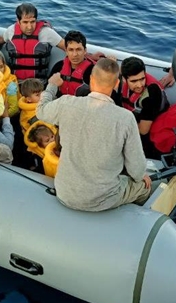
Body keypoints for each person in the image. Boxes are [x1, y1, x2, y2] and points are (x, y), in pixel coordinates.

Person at [37, 59, 152, 211]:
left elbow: (41, 110)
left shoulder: (65, 103)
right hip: (103, 200)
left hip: (65, 192)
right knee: (144, 186)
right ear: (117, 84)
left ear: (91, 79)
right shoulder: (125, 118)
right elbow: (136, 169)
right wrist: (141, 176)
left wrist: (52, 85)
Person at [119, 56, 176, 158]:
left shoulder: (152, 94)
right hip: (133, 120)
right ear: (124, 79)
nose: (139, 85)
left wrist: (118, 126)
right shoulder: (120, 81)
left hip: (150, 133)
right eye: (134, 81)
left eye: (142, 79)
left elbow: (143, 130)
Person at [0, 3, 64, 80]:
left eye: (32, 22)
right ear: (18, 21)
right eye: (25, 22)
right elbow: (0, 39)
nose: (29, 27)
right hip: (14, 81)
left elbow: (67, 46)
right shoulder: (11, 31)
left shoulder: (46, 32)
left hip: (38, 83)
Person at [49, 30, 94, 96]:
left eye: (78, 49)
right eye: (71, 50)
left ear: (85, 51)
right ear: (66, 51)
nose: (75, 54)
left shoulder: (93, 72)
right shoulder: (58, 67)